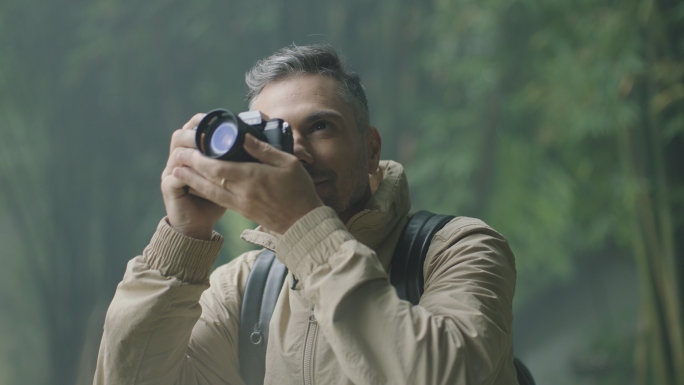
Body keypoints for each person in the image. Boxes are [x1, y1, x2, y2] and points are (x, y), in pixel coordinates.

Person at [94, 44, 519, 385]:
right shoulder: (242, 291)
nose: (295, 153)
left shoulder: (457, 249)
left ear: (371, 149)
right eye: (271, 135)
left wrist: (304, 226)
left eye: (320, 127)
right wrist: (182, 243)